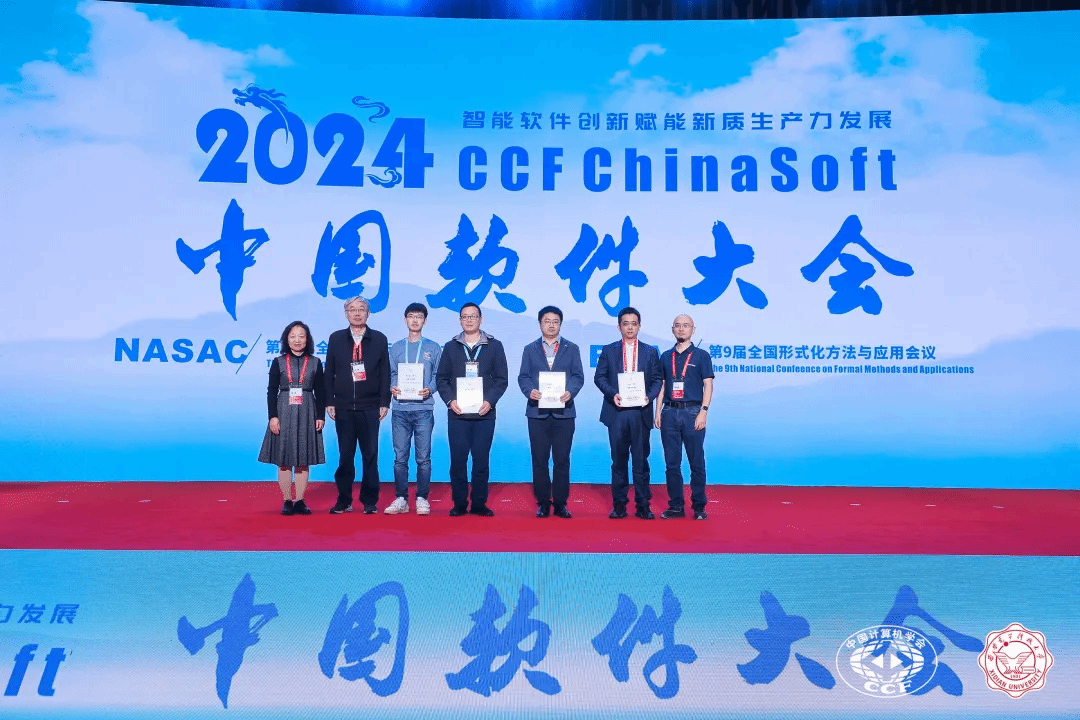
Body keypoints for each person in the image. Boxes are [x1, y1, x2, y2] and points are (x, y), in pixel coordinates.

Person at [435, 302, 508, 517]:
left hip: (485, 414)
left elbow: (501, 379)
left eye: (473, 316)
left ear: (480, 319)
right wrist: (450, 401)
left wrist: (490, 401)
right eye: (465, 317)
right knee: (458, 461)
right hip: (457, 414)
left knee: (481, 461)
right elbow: (442, 379)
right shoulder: (450, 347)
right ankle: (459, 503)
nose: (469, 320)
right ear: (460, 320)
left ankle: (479, 503)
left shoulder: (495, 346)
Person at [593, 307, 663, 519]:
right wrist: (612, 393)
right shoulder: (609, 350)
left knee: (641, 461)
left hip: (640, 412)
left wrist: (648, 397)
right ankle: (619, 505)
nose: (630, 327)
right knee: (618, 461)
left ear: (639, 326)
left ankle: (643, 505)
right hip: (617, 412)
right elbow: (599, 377)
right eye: (626, 323)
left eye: (634, 323)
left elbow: (657, 380)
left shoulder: (650, 352)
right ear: (619, 327)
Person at [517, 306, 584, 518]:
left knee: (562, 460)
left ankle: (561, 503)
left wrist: (570, 391)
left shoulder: (572, 348)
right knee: (539, 460)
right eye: (547, 321)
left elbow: (578, 376)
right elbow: (523, 377)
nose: (551, 325)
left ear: (560, 324)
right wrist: (530, 391)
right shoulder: (530, 349)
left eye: (555, 321)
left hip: (564, 412)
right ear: (540, 324)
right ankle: (543, 502)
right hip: (537, 413)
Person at [324, 296, 390, 515]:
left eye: (362, 309)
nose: (357, 313)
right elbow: (328, 372)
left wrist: (384, 402)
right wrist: (330, 401)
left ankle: (369, 500)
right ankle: (344, 500)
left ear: (368, 313)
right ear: (346, 314)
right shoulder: (336, 338)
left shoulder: (379, 339)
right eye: (352, 309)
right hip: (343, 407)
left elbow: (385, 373)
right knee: (345, 456)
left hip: (370, 407)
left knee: (370, 455)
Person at [258, 321, 325, 515]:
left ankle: (300, 501)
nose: (297, 340)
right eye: (293, 336)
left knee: (303, 460)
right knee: (284, 459)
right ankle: (287, 500)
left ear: (307, 339)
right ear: (286, 339)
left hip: (307, 410)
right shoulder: (278, 361)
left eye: (301, 336)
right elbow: (271, 391)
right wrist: (273, 417)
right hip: (283, 410)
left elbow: (321, 391)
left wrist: (320, 416)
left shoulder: (315, 362)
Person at [655, 314, 714, 520]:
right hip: (669, 412)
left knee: (696, 463)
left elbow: (708, 384)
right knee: (672, 464)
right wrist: (658, 411)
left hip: (693, 412)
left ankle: (699, 507)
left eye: (686, 325)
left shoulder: (702, 356)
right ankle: (676, 506)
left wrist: (703, 411)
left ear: (693, 330)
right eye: (678, 325)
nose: (681, 329)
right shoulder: (665, 356)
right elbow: (662, 385)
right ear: (672, 329)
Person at [385, 302, 442, 516]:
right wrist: (393, 387)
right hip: (400, 409)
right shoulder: (396, 347)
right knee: (400, 458)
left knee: (423, 458)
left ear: (425, 321)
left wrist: (431, 389)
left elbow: (438, 375)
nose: (415, 320)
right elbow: (391, 373)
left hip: (423, 409)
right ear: (405, 320)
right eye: (411, 316)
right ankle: (401, 498)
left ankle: (422, 498)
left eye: (419, 316)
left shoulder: (433, 347)